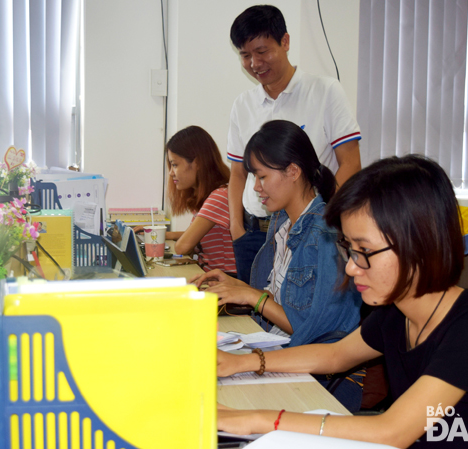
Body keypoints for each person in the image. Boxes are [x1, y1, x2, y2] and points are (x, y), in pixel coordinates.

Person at [215, 155, 468, 448]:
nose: (351, 267)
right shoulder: (399, 312)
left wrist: (261, 419)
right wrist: (242, 362)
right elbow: (335, 355)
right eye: (349, 248)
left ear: (419, 245)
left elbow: (391, 431)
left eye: (363, 251)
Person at [192, 120, 363, 410]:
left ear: (293, 171)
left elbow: (312, 330)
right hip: (279, 354)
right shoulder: (282, 223)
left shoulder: (325, 235)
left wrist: (250, 296)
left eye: (261, 177)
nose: (256, 188)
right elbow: (277, 299)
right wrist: (237, 287)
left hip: (315, 379)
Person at [227, 5, 362, 284]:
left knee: (302, 318)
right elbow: (238, 173)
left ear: (285, 42)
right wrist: (236, 229)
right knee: (252, 319)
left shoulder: (325, 92)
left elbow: (351, 163)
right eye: (245, 55)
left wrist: (323, 219)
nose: (254, 63)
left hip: (311, 232)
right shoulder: (243, 105)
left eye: (262, 51)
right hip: (254, 234)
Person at [162, 126, 236, 275]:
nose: (171, 173)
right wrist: (164, 234)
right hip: (211, 277)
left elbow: (183, 247)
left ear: (197, 163)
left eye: (174, 165)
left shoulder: (219, 197)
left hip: (225, 282)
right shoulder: (210, 195)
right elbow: (197, 233)